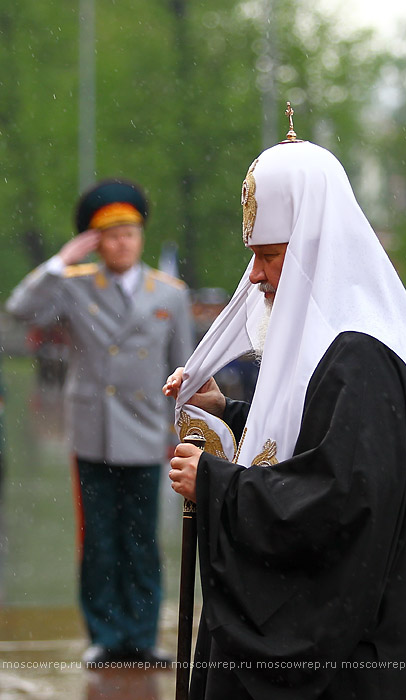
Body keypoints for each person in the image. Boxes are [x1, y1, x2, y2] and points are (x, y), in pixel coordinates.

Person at [164, 116, 406, 698]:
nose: (254, 276)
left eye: (271, 256)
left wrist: (217, 486)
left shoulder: (360, 355)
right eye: (253, 256)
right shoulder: (336, 347)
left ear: (314, 250)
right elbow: (315, 436)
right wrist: (231, 414)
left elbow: (340, 503)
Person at [7, 178, 194, 666]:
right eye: (110, 235)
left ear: (141, 237)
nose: (121, 242)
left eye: (129, 233)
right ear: (95, 240)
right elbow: (20, 309)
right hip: (93, 434)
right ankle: (106, 637)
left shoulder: (169, 294)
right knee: (99, 541)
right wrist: (59, 262)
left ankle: (142, 635)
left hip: (146, 434)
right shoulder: (74, 285)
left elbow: (184, 370)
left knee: (142, 541)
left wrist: (185, 436)